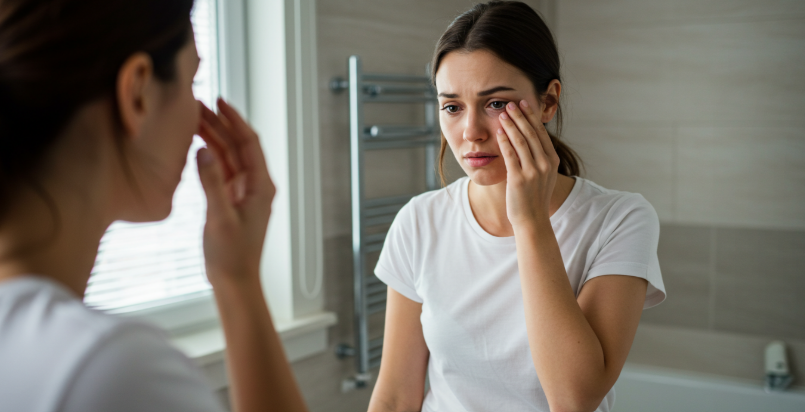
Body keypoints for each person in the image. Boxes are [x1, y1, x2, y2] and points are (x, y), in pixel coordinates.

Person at [0, 1, 307, 411]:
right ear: (138, 92)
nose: (199, 117)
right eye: (191, 82)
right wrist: (240, 285)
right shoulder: (107, 371)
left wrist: (234, 275)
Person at [368, 2, 666, 411]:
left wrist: (529, 222)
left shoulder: (620, 220)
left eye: (495, 104)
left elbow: (574, 399)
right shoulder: (420, 221)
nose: (470, 132)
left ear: (547, 102)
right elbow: (395, 398)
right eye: (452, 107)